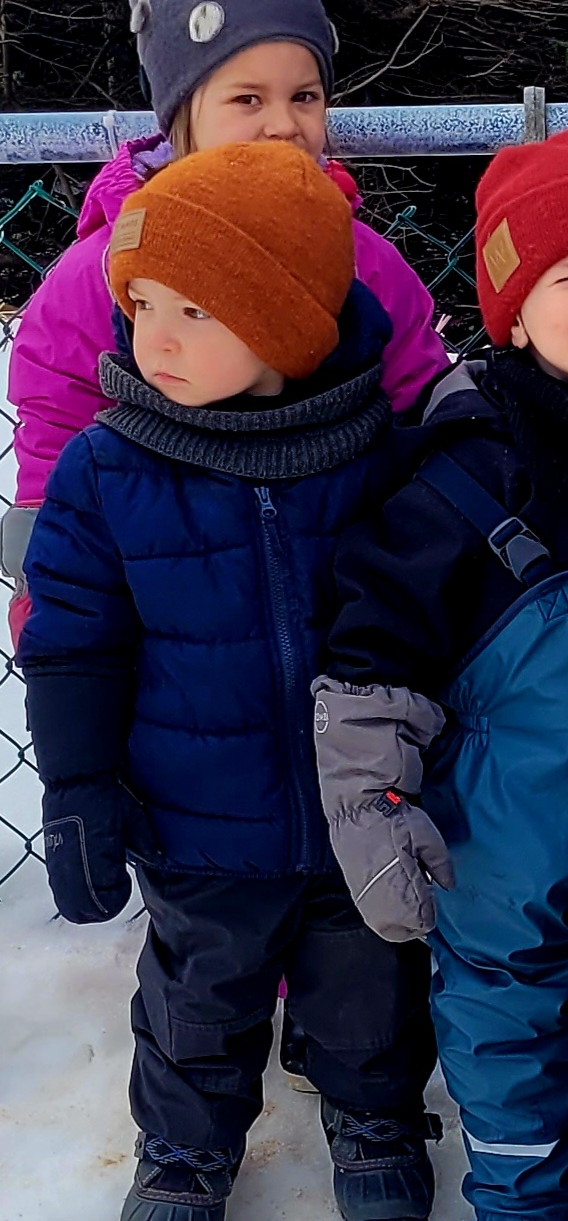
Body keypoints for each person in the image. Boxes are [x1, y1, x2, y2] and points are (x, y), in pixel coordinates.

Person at [17, 142, 437, 1221]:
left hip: (358, 810)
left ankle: (375, 1115)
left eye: (196, 310)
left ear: (291, 319)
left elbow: (425, 620)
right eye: (142, 301)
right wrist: (75, 791)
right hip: (193, 821)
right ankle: (183, 1151)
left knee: (367, 992)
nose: (154, 335)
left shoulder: (375, 454)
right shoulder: (107, 469)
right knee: (198, 1001)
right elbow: (72, 641)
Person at [317, 128, 568, 1220]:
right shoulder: (460, 468)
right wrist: (372, 802)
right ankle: (525, 1199)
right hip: (496, 853)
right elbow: (372, 650)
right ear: (512, 310)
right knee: (511, 1062)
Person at [4, 0, 450, 632]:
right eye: (248, 100)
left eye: (304, 96)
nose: (284, 124)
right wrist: (53, 615)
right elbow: (56, 432)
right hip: (166, 624)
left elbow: (422, 408)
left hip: (342, 610)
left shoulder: (361, 260)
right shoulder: (107, 266)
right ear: (182, 116)